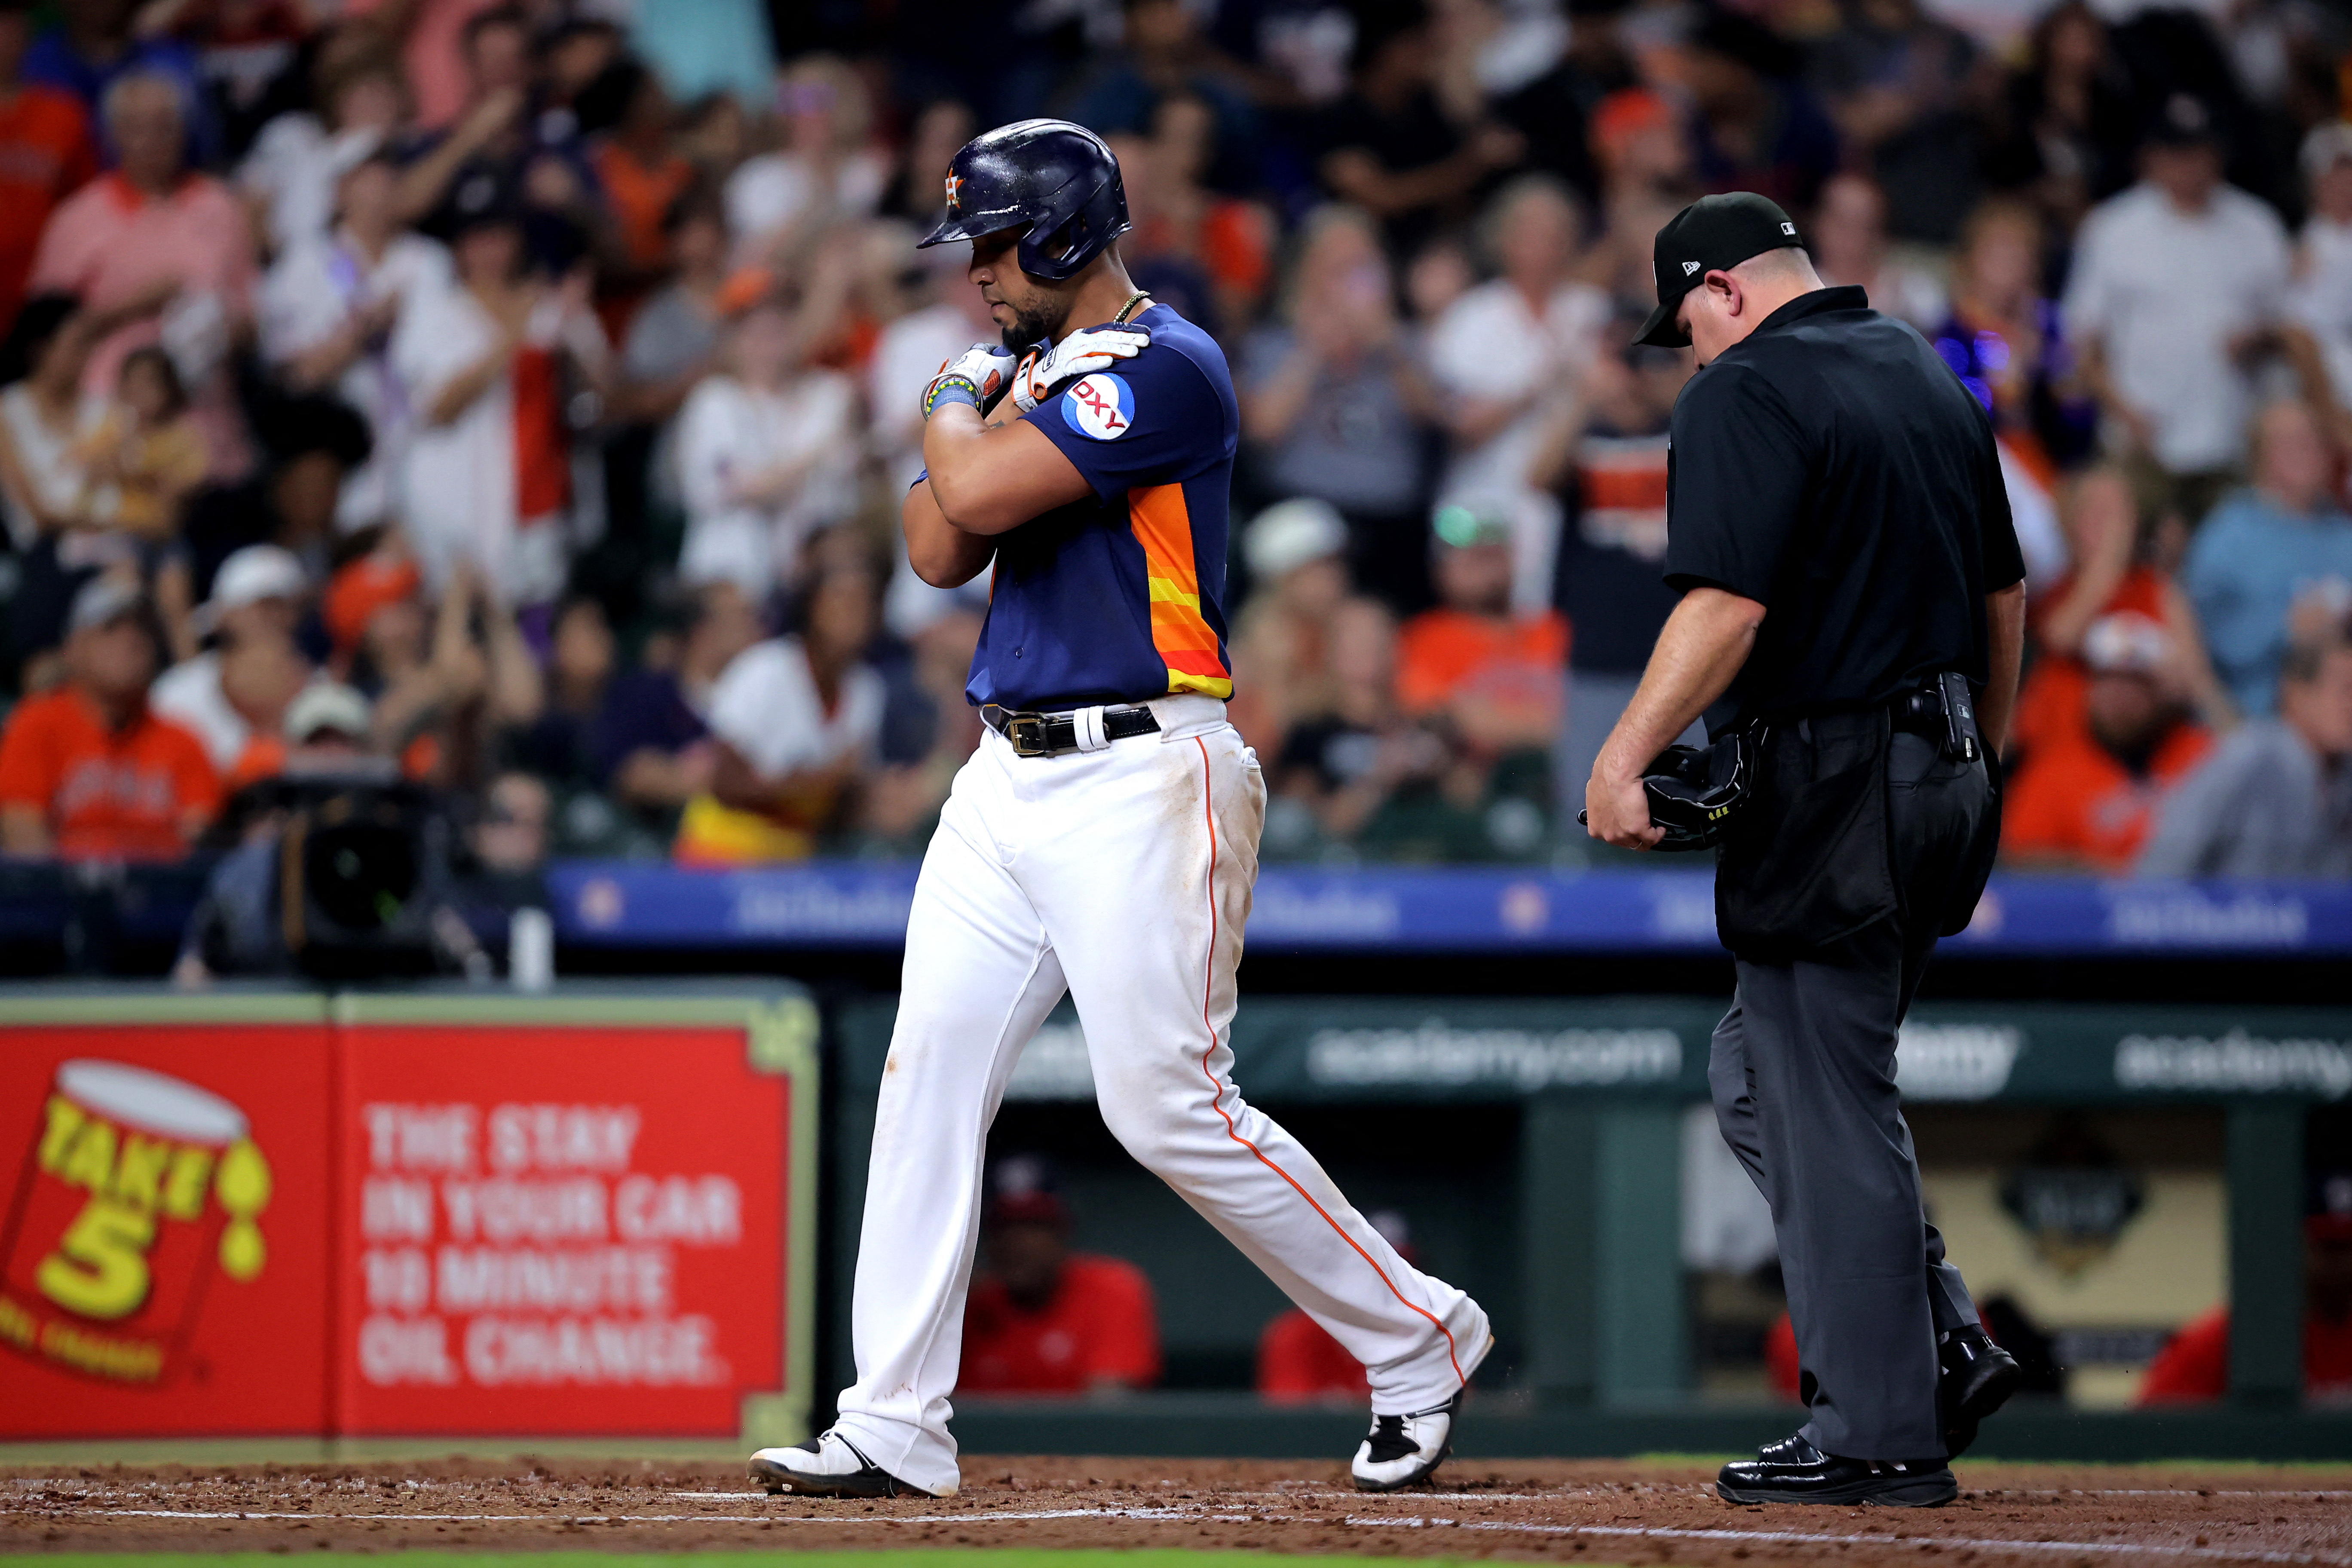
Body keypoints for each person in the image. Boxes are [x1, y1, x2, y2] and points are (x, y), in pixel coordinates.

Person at [748, 119, 1490, 1503]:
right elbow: (930, 549)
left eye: (994, 243)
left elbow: (965, 483)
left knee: (1165, 1106)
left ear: (1069, 235)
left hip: (1145, 769)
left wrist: (955, 402)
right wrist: (974, 397)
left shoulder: (1168, 367)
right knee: (925, 1083)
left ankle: (1418, 1332)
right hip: (1004, 777)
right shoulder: (1021, 371)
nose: (976, 273)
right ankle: (892, 1421)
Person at [1586, 193, 2026, 1505]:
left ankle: (1879, 1429)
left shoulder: (1747, 389)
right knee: (1759, 1077)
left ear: (1720, 289)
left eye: (1690, 324)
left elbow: (1727, 603)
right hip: (1938, 775)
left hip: (1841, 787)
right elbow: (2006, 594)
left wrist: (1620, 756)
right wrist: (1973, 758)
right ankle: (1938, 1333)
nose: (1694, 352)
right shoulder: (1922, 368)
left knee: (1826, 1099)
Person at [2061, 94, 2292, 530]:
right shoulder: (2113, 228)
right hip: (2142, 439)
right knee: (2125, 558)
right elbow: (2083, 341)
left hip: (2233, 439)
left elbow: (2289, 330)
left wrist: (2258, 339)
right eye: (2178, 153)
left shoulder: (2258, 226)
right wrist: (2125, 411)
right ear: (2153, 158)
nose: (2191, 166)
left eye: (2201, 152)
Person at [30, 70, 257, 482]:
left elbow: (250, 319)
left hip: (205, 428)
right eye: (138, 128)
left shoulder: (220, 207)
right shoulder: (77, 219)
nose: (154, 141)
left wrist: (218, 329)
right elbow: (47, 341)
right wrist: (134, 307)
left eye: (165, 126)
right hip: (108, 432)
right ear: (114, 137)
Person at [392, 185, 609, 609]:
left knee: (539, 638)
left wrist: (576, 325)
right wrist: (510, 337)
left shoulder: (547, 306)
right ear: (458, 246)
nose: (490, 249)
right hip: (459, 507)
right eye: (477, 238)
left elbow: (601, 397)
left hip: (539, 501)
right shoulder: (434, 313)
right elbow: (437, 409)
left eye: (499, 235)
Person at [1237, 205, 1438, 612]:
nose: (1348, 282)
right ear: (1307, 273)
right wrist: (1312, 351)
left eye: (1361, 266)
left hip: (1393, 524)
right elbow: (1263, 429)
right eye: (1335, 267)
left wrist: (1390, 348)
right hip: (1301, 515)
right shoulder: (1273, 342)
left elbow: (1435, 419)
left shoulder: (1409, 344)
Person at [1424, 175, 1609, 610]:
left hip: (1569, 506)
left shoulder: (1593, 309)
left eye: (1556, 232)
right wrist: (1539, 384)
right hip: (1477, 503)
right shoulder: (1472, 315)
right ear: (1502, 239)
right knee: (1473, 625)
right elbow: (1463, 426)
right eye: (1529, 231)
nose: (1544, 243)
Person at [257, 150, 452, 533]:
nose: (381, 191)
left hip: (427, 441)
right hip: (346, 448)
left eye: (389, 178)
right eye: (367, 180)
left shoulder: (429, 260)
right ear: (340, 191)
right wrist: (364, 332)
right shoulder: (308, 263)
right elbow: (297, 375)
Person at [672, 560, 885, 864]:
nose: (856, 614)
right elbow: (723, 782)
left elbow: (844, 805)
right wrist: (815, 783)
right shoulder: (766, 668)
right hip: (722, 847)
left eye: (867, 604)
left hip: (794, 856)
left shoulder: (868, 690)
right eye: (843, 600)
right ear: (812, 606)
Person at [0, 575, 220, 859]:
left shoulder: (182, 740)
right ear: (74, 648)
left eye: (143, 628)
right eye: (111, 628)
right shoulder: (37, 725)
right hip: (61, 896)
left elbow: (199, 840)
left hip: (159, 897)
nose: (131, 640)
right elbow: (23, 834)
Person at [673, 283, 859, 602]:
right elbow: (747, 488)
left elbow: (842, 489)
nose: (766, 347)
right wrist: (818, 451)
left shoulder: (820, 394)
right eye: (753, 335)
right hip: (723, 576)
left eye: (777, 333)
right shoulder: (714, 401)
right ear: (733, 342)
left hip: (792, 578)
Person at [2000, 612, 2212, 872]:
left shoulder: (2202, 757)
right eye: (2108, 681)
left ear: (2162, 692)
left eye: (2134, 683)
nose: (2119, 698)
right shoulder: (2053, 770)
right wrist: (2093, 873)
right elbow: (2019, 865)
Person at [2183, 400, 2352, 719]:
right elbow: (2205, 638)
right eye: (2290, 442)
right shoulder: (2226, 535)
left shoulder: (2343, 534)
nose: (2307, 450)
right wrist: (2285, 629)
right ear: (2260, 455)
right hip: (2257, 715)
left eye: (2315, 440)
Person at [2138, 637, 2352, 879]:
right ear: (2297, 693)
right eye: (2346, 690)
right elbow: (2164, 865)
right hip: (2225, 915)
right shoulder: (2249, 757)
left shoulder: (2345, 775)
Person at [956, 1155, 1162, 1396]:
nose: (1017, 1242)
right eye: (1004, 1226)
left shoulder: (1110, 1288)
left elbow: (1107, 1417)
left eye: (1035, 1226)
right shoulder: (961, 1307)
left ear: (1063, 1231)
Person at [2136, 1176, 2352, 1404]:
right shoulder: (2228, 1338)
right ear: (2291, 1245)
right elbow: (2151, 1431)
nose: (2345, 1262)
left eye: (2350, 1247)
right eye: (2330, 1248)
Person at [0, 0, 96, 332]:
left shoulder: (64, 115)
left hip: (43, 305)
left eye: (8, 24)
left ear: (25, 33)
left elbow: (87, 210)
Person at [1257, 1210, 1416, 1402]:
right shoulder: (1298, 1333)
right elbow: (1292, 1419)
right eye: (1366, 1268)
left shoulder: (1425, 1333)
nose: (1384, 1281)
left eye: (1398, 1271)